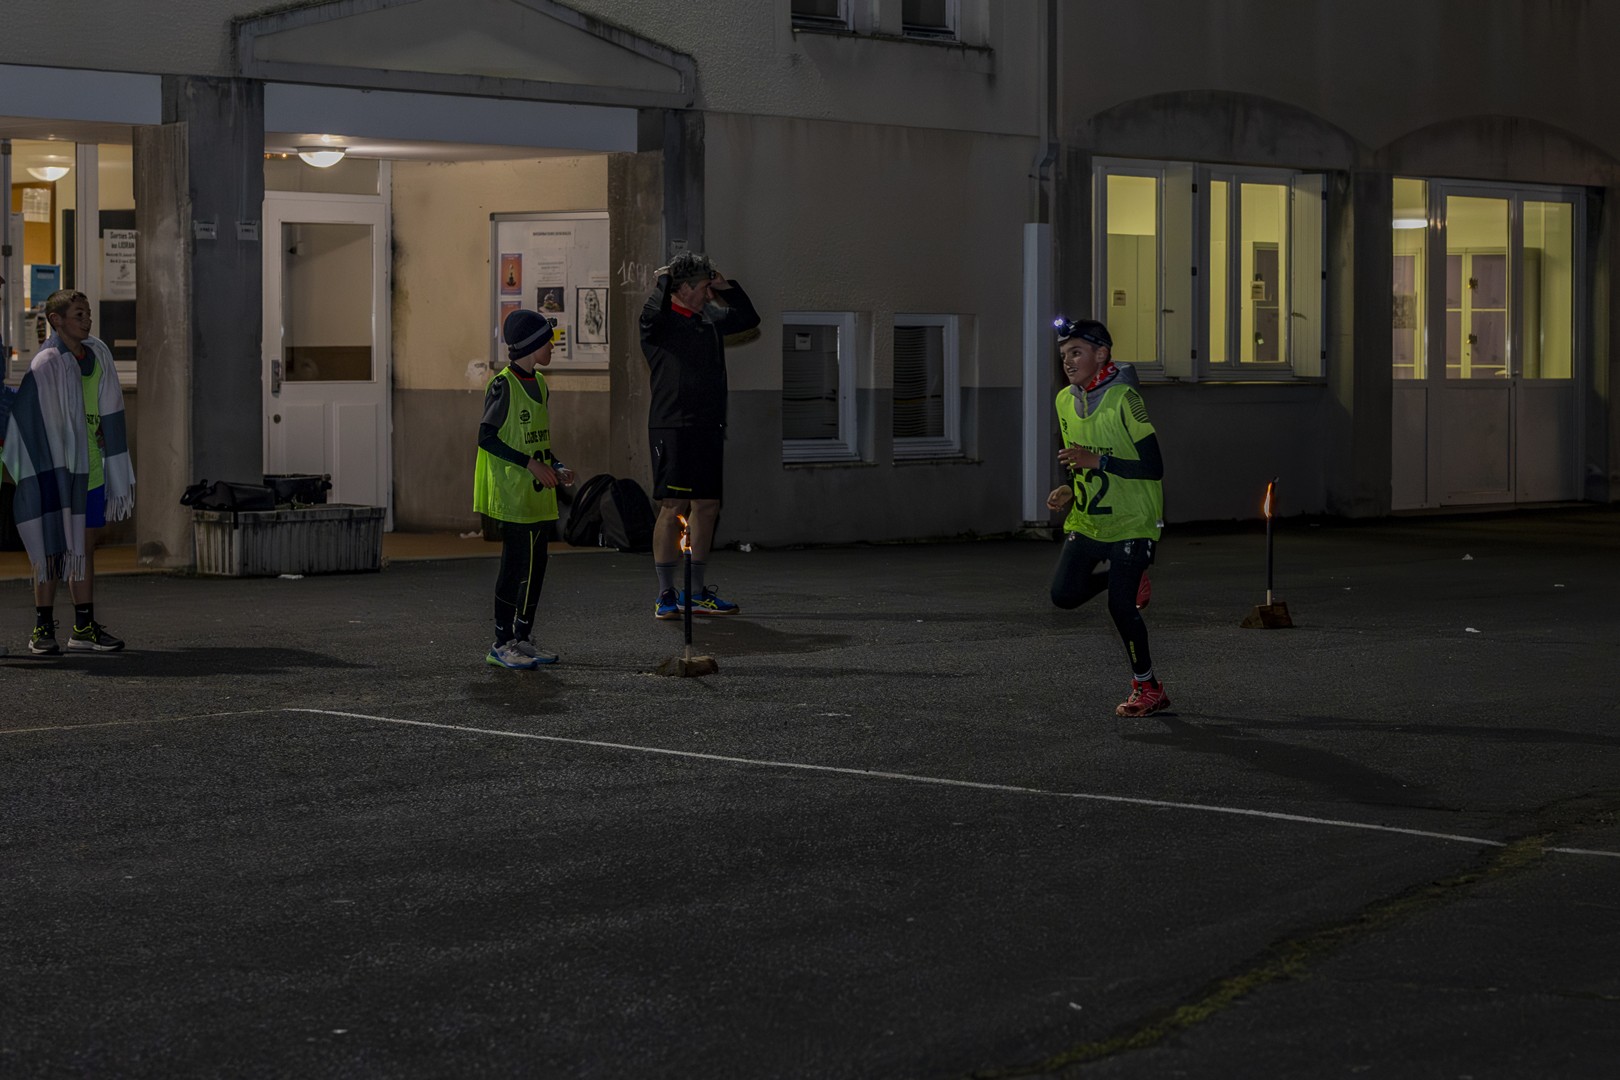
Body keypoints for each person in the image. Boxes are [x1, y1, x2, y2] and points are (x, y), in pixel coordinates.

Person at [1045, 317, 1170, 717]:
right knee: (1063, 595)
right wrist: (1069, 487)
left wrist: (1098, 461)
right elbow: (1078, 457)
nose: (1068, 361)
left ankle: (1148, 688)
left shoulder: (1125, 399)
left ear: (1101, 354)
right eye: (1064, 354)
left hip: (1133, 518)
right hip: (1090, 519)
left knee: (1121, 607)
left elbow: (1153, 466)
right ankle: (1128, 576)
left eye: (1076, 352)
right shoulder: (1064, 400)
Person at [1, 289, 134, 655]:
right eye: (79, 314)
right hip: (57, 471)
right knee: (51, 548)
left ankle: (84, 626)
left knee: (83, 549)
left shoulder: (98, 355)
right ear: (56, 320)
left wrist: (101, 433)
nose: (87, 320)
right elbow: (29, 418)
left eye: (88, 313)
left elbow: (103, 408)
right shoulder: (45, 364)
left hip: (90, 470)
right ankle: (42, 628)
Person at [640, 251, 760, 620]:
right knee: (673, 505)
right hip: (673, 427)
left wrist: (725, 286)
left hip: (709, 426)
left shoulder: (709, 320)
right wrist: (665, 280)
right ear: (683, 288)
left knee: (707, 506)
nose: (710, 295)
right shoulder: (659, 322)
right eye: (705, 287)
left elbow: (748, 318)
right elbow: (653, 313)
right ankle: (665, 593)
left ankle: (694, 592)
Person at [474, 308, 574, 669]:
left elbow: (535, 440)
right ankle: (501, 643)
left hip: (537, 494)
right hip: (512, 492)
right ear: (532, 346)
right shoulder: (503, 385)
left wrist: (555, 465)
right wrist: (531, 464)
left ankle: (522, 638)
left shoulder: (540, 383)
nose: (553, 347)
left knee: (536, 568)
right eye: (548, 341)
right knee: (514, 567)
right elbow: (486, 437)